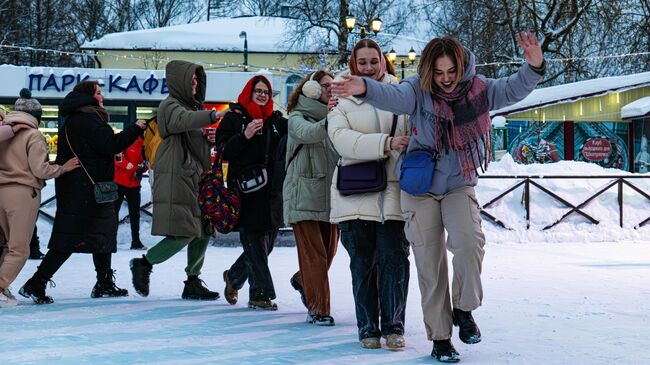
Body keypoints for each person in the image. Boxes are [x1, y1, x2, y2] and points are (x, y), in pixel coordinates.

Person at [331, 33, 545, 362]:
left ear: (462, 67)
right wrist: (364, 88)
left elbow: (513, 88)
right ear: (430, 70)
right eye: (439, 73)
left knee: (470, 243)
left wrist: (533, 65)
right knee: (430, 264)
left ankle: (463, 309)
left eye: (451, 72)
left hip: (460, 181)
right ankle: (440, 338)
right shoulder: (417, 90)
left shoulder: (480, 89)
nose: (445, 80)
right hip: (420, 186)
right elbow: (392, 95)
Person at [19, 80, 146, 304]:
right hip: (87, 191)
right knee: (70, 239)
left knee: (101, 234)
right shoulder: (88, 119)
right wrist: (136, 128)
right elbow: (111, 144)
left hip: (81, 188)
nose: (102, 96)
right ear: (89, 96)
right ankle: (36, 283)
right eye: (99, 92)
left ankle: (104, 282)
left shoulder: (75, 118)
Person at [327, 39, 411, 350]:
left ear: (383, 61)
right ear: (353, 65)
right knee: (362, 265)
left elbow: (413, 129)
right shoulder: (341, 100)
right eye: (361, 62)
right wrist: (387, 144)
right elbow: (341, 140)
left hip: (393, 191)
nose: (368, 68)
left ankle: (393, 326)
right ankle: (367, 328)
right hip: (354, 195)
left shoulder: (400, 94)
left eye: (373, 61)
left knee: (394, 261)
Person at [130, 60, 229, 300]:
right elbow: (180, 121)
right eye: (191, 81)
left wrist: (210, 137)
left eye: (197, 81)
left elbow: (196, 143)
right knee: (185, 231)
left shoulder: (192, 110)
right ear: (180, 82)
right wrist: (213, 116)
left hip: (195, 178)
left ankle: (193, 281)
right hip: (177, 177)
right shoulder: (170, 106)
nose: (195, 86)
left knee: (204, 229)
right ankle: (144, 263)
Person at [216, 74, 288, 311]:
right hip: (247, 191)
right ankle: (260, 295)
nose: (262, 95)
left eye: (266, 92)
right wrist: (244, 135)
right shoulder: (234, 119)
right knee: (255, 242)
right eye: (258, 91)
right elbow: (224, 151)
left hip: (272, 191)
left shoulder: (275, 120)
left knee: (266, 245)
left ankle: (234, 277)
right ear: (249, 92)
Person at [0, 97, 79, 307]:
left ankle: (3, 288)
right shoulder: (33, 135)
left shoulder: (3, 132)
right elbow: (39, 170)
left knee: (5, 244)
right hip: (22, 194)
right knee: (20, 248)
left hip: (1, 190)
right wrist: (62, 168)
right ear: (38, 116)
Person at [283, 71, 339, 325]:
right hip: (303, 195)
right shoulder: (296, 117)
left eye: (332, 85)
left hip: (332, 196)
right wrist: (334, 117)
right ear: (311, 89)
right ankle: (319, 310)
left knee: (328, 253)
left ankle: (302, 280)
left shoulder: (337, 116)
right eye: (324, 86)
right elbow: (308, 133)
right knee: (315, 256)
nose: (329, 89)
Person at [114, 135, 147, 250]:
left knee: (135, 214)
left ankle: (136, 241)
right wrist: (132, 167)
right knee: (114, 212)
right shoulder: (126, 139)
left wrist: (142, 168)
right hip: (119, 181)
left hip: (134, 184)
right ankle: (111, 240)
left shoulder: (145, 144)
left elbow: (145, 163)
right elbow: (117, 158)